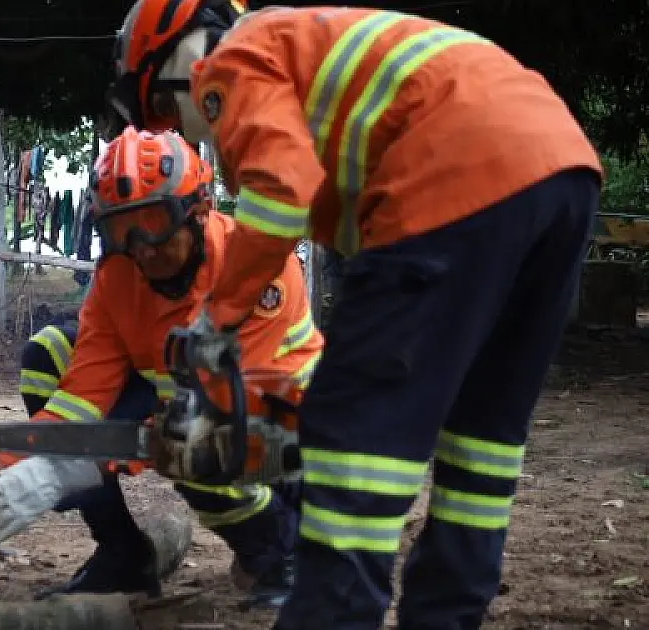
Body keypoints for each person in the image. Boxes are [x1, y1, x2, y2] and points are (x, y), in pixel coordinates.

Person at [109, 2, 603, 628]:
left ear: (178, 59)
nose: (184, 128)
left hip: (452, 167)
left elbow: (279, 196)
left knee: (350, 430)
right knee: (482, 439)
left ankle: (329, 616)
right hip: (561, 169)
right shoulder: (305, 52)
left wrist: (214, 323)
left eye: (164, 107)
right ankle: (445, 616)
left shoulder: (233, 60)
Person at [0, 127, 323, 607]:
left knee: (196, 446)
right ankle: (122, 554)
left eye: (154, 221)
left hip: (287, 434)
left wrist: (63, 471)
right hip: (188, 410)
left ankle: (282, 551)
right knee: (48, 354)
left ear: (199, 210)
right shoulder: (118, 278)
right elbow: (79, 401)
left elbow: (219, 410)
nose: (143, 246)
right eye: (122, 229)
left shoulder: (258, 266)